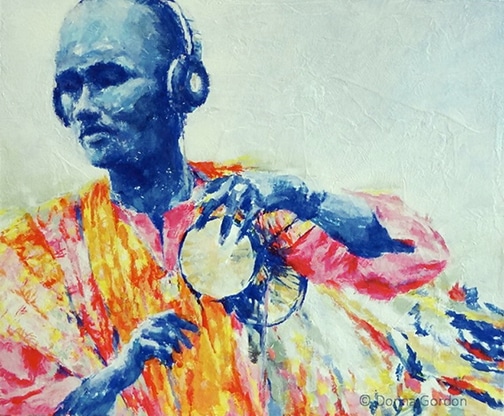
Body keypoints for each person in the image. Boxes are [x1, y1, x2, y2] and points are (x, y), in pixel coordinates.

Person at [0, 0, 500, 415]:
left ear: (183, 84)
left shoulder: (250, 201)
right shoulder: (36, 250)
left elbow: (415, 254)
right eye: (70, 87)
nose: (84, 106)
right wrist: (117, 374)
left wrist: (300, 197)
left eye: (109, 77)